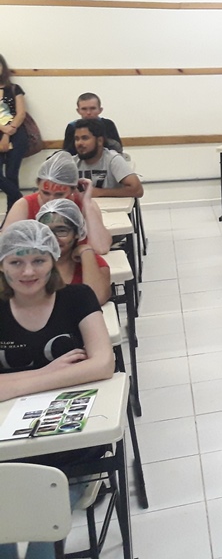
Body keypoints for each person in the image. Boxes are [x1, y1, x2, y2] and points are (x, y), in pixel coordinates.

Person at [0, 221, 115, 559]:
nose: (28, 272)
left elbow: (102, 364)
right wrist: (48, 372)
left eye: (38, 260)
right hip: (7, 447)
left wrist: (13, 384)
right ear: (2, 264)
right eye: (16, 262)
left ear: (53, 259)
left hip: (70, 449)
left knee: (40, 531)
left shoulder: (77, 298)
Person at [2, 152, 113, 254]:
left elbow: (101, 248)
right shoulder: (24, 205)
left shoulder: (84, 205)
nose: (51, 200)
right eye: (45, 192)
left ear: (73, 189)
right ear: (38, 185)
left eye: (59, 194)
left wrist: (87, 204)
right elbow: (4, 247)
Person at [37, 198, 111, 305]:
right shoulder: (29, 261)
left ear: (77, 233)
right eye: (46, 232)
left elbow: (97, 298)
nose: (53, 238)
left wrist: (86, 251)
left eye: (61, 231)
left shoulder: (92, 261)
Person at [72, 119, 144, 198]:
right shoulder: (72, 162)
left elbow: (138, 190)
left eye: (85, 138)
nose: (79, 143)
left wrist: (100, 192)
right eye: (76, 139)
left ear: (99, 141)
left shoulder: (113, 159)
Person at [0, 53, 29, 212]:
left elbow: (21, 114)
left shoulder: (14, 89)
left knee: (12, 174)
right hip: (3, 130)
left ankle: (12, 216)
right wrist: (3, 129)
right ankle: (24, 202)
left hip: (16, 132)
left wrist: (7, 133)